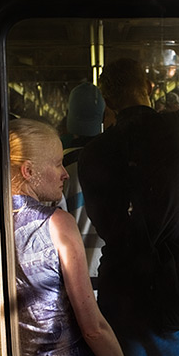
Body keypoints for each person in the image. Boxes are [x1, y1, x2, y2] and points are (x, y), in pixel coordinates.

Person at [79, 58, 179, 356]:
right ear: (150, 86)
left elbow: (109, 223)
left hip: (124, 286)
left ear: (108, 102)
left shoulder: (93, 153)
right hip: (178, 282)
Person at [9, 118, 130, 356]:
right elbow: (93, 329)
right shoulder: (56, 223)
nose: (65, 173)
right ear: (28, 171)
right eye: (56, 164)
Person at [60, 83, 107, 294]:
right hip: (110, 278)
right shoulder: (117, 163)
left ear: (69, 115)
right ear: (103, 118)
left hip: (73, 282)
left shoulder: (60, 167)